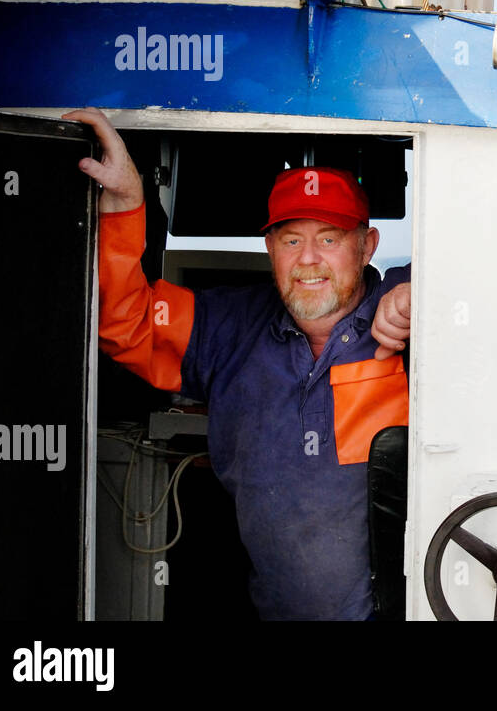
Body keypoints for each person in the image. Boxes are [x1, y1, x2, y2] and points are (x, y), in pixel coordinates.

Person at [63, 108, 412, 620]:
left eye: (330, 239)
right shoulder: (225, 326)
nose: (309, 259)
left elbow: (484, 285)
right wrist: (125, 205)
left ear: (366, 246)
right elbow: (126, 323)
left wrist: (418, 283)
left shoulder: (409, 316)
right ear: (270, 248)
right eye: (292, 240)